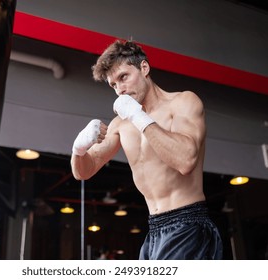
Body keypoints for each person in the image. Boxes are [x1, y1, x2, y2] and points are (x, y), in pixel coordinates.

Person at [70, 40, 223, 260]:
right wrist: (79, 149)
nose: (120, 89)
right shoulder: (121, 124)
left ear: (144, 68)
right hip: (154, 230)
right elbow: (83, 171)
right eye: (113, 85)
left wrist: (139, 117)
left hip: (189, 225)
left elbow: (186, 160)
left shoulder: (182, 102)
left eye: (123, 77)